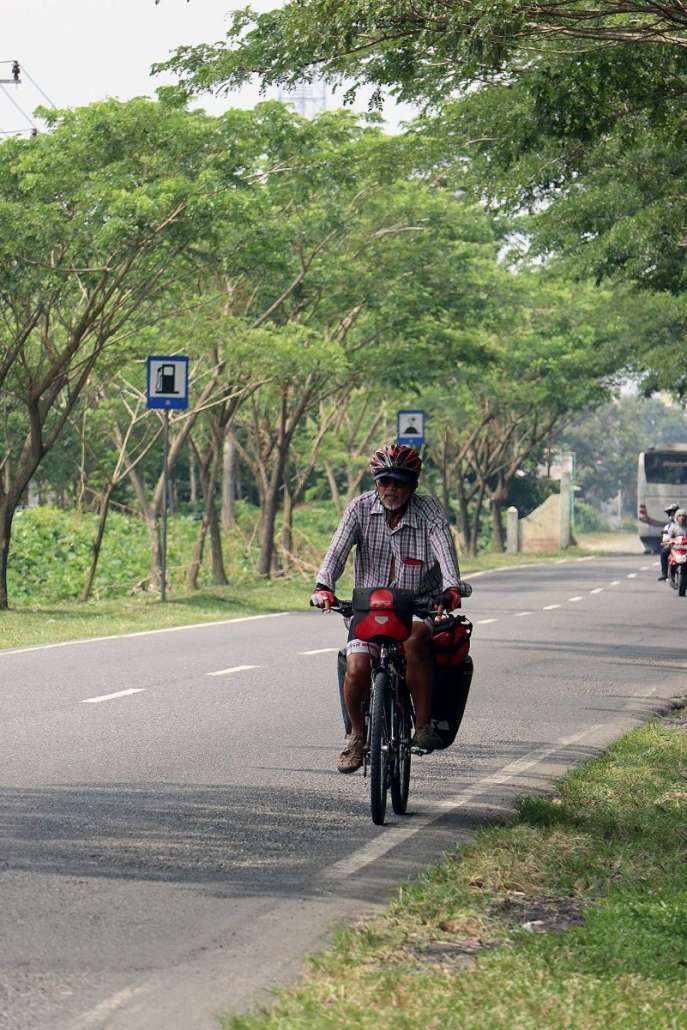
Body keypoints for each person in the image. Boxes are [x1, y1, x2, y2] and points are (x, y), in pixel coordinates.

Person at [311, 443, 463, 773]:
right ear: (375, 482)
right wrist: (324, 586)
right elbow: (336, 552)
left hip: (417, 606)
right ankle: (356, 736)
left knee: (414, 641)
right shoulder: (359, 509)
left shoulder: (429, 512)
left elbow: (445, 552)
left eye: (400, 482)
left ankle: (421, 726)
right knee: (356, 666)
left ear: (414, 484)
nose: (391, 489)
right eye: (384, 482)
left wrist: (452, 588)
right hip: (368, 609)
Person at [658, 503, 679, 580]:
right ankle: (664, 573)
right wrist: (665, 542)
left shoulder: (685, 525)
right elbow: (664, 538)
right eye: (672, 513)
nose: (673, 515)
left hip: (684, 547)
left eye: (675, 513)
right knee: (663, 552)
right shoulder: (667, 526)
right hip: (672, 546)